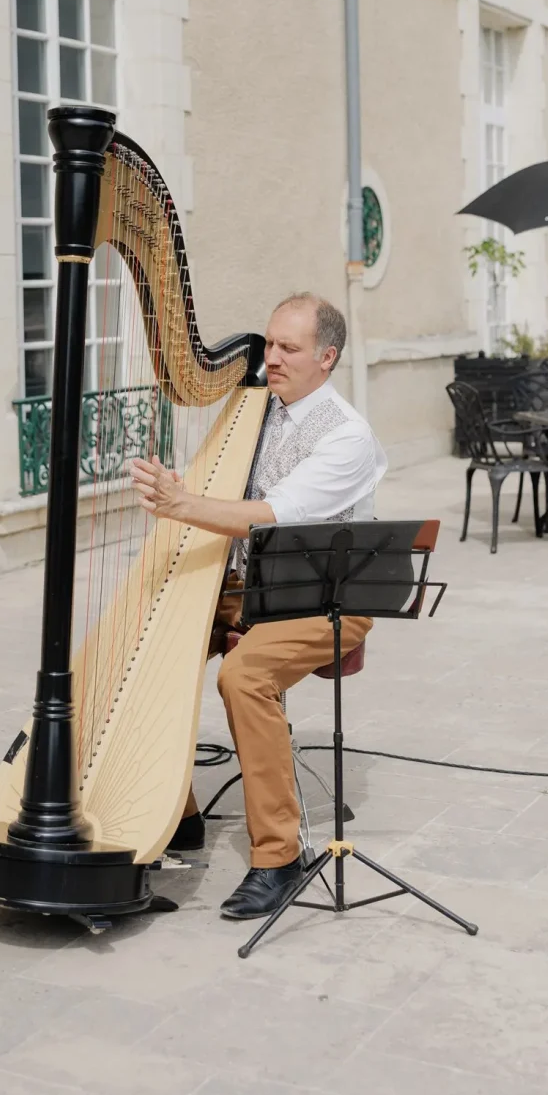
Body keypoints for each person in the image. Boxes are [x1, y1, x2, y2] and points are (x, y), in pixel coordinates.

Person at [129, 292, 387, 920]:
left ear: (326, 358)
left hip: (326, 595)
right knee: (144, 643)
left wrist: (183, 505)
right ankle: (176, 814)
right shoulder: (258, 409)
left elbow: (274, 514)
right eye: (269, 344)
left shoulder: (347, 435)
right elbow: (229, 498)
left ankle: (279, 857)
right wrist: (186, 492)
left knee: (243, 677)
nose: (271, 358)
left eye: (288, 348)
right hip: (250, 584)